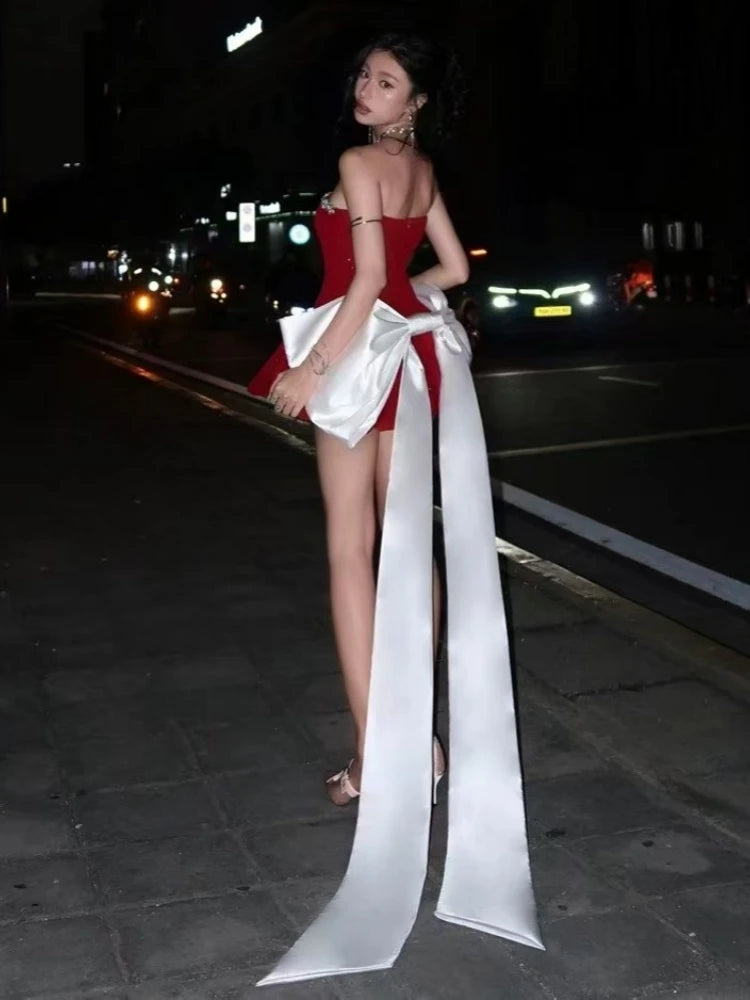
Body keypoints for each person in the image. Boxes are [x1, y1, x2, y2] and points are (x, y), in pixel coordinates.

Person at [248, 33, 543, 986]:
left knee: (350, 553)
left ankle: (384, 761)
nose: (363, 91)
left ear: (412, 97)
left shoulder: (356, 163)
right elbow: (450, 270)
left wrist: (312, 366)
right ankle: (414, 743)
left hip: (358, 364)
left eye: (383, 81)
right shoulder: (419, 170)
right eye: (363, 78)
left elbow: (366, 280)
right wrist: (401, 319)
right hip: (411, 360)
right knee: (411, 550)